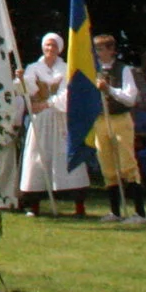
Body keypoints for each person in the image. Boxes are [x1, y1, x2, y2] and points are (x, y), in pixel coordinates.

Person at [19, 33, 88, 215]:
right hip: (40, 120)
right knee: (37, 157)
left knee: (64, 156)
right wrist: (21, 81)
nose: (50, 49)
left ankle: (78, 205)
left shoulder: (66, 69)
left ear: (60, 48)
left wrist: (47, 103)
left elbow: (68, 95)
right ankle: (34, 205)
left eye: (54, 46)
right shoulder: (33, 68)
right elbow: (27, 92)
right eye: (47, 45)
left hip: (60, 118)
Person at [91, 34, 146, 222]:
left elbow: (130, 98)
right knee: (107, 165)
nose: (98, 53)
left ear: (111, 50)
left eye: (101, 49)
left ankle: (140, 212)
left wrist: (109, 90)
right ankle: (115, 211)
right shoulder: (93, 69)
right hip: (101, 119)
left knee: (127, 164)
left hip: (120, 119)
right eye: (96, 49)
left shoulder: (123, 69)